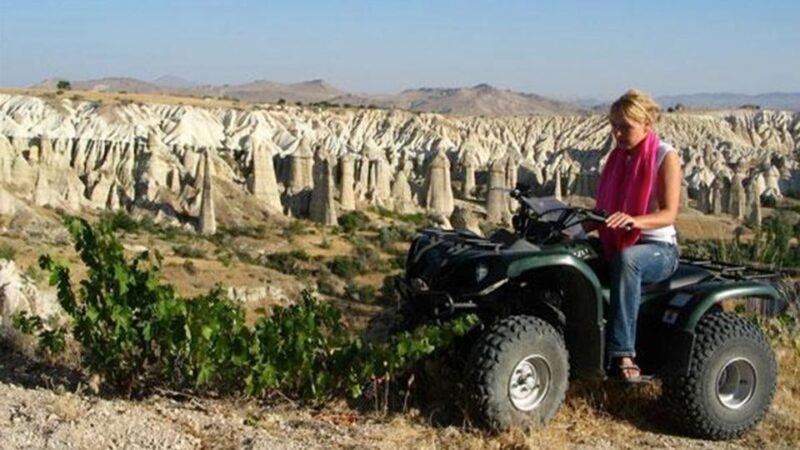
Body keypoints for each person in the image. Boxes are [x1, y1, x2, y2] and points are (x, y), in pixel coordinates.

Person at [595, 89, 682, 382]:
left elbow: (669, 214)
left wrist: (635, 221)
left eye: (625, 127)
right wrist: (568, 229)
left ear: (647, 124)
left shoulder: (664, 156)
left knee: (627, 260)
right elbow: (603, 213)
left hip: (659, 249)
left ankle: (623, 351)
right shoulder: (618, 160)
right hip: (621, 238)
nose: (618, 133)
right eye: (614, 126)